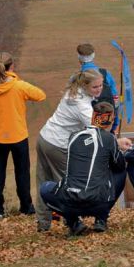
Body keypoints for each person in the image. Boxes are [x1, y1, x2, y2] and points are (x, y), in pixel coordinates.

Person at [39, 102, 132, 236]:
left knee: (44, 188)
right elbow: (119, 165)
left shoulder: (73, 137)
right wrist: (119, 151)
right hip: (97, 202)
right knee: (120, 173)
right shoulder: (109, 139)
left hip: (70, 201)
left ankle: (74, 223)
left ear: (93, 117)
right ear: (110, 120)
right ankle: (101, 219)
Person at [0, 52, 46, 220]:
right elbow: (41, 95)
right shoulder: (19, 86)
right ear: (12, 67)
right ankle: (26, 207)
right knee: (22, 173)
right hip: (19, 136)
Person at [36, 70, 103, 232]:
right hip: (57, 145)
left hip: (44, 138)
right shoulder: (81, 105)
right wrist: (116, 141)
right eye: (95, 86)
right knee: (67, 186)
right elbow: (97, 128)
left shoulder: (73, 91)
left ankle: (43, 223)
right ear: (85, 85)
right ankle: (73, 223)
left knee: (43, 181)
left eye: (101, 85)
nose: (99, 89)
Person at [76, 43, 120, 133]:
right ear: (93, 55)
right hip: (107, 125)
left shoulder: (75, 78)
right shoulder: (106, 73)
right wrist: (114, 125)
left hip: (86, 130)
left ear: (79, 57)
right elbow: (115, 101)